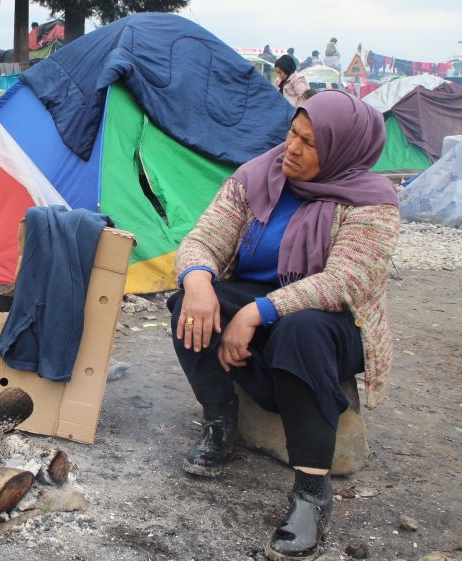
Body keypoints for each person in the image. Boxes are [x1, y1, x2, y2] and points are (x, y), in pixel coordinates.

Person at [168, 90, 399, 560]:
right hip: (265, 303)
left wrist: (256, 313)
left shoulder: (372, 202)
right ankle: (220, 421)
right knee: (189, 304)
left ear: (341, 150)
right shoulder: (257, 176)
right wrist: (196, 281)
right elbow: (203, 239)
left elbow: (345, 282)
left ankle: (312, 493)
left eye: (310, 143)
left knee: (302, 329)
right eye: (293, 133)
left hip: (331, 323)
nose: (292, 148)